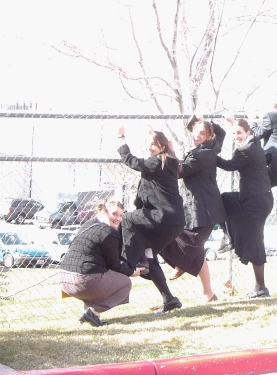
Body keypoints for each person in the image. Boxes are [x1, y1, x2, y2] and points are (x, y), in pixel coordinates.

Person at [118, 125, 185, 313]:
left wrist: (121, 138)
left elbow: (130, 161)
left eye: (154, 145)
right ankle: (169, 299)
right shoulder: (166, 163)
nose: (150, 148)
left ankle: (127, 262)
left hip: (162, 217)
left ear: (162, 148)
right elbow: (143, 196)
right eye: (148, 144)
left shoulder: (157, 163)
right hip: (173, 221)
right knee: (149, 256)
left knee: (127, 218)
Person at [160, 118, 227, 303]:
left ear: (208, 136)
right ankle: (208, 293)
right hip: (200, 207)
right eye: (195, 132)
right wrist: (204, 120)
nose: (197, 136)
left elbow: (179, 171)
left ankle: (181, 264)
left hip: (203, 210)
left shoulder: (200, 154)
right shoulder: (214, 146)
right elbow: (221, 133)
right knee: (194, 248)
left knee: (187, 243)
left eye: (202, 133)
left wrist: (169, 150)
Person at [58, 198, 143, 327]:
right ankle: (93, 312)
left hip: (63, 279)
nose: (118, 219)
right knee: (125, 283)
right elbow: (114, 265)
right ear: (104, 212)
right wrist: (132, 272)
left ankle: (89, 314)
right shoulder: (109, 232)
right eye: (114, 214)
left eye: (121, 215)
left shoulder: (88, 224)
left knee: (98, 275)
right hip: (80, 281)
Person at [217, 118, 274, 298]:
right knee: (225, 199)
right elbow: (254, 132)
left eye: (239, 133)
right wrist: (235, 122)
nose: (236, 137)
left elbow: (228, 165)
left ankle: (261, 287)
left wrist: (210, 155)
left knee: (256, 242)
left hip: (256, 202)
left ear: (247, 133)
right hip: (256, 198)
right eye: (233, 134)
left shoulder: (246, 149)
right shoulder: (254, 142)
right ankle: (230, 236)